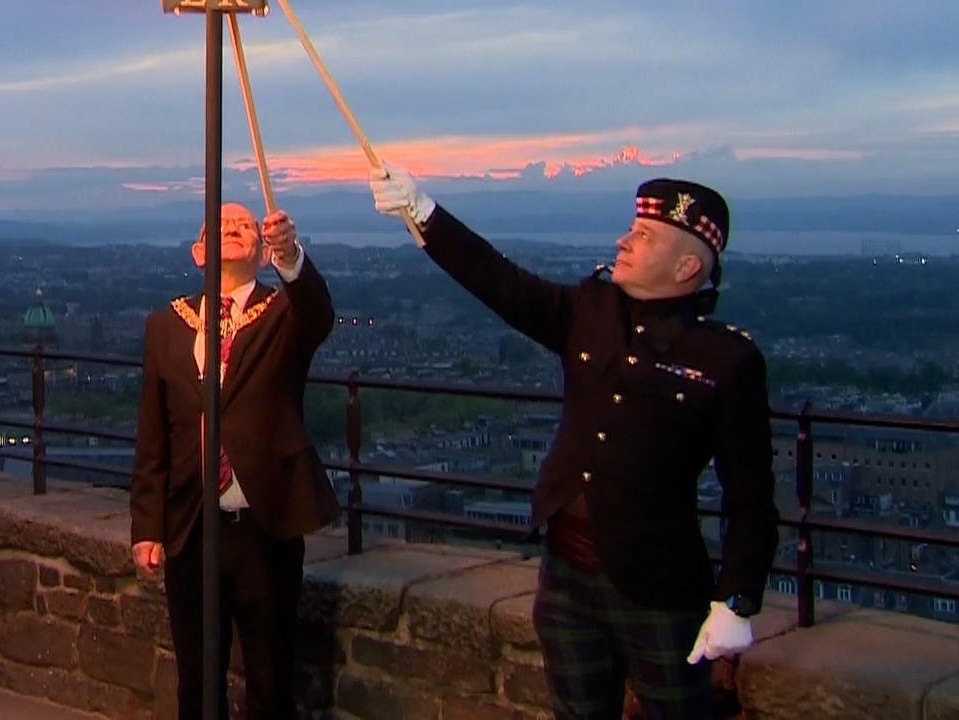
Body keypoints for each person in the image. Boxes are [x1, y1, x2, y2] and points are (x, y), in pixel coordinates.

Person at [370, 167, 778, 720]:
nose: (623, 241)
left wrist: (736, 599)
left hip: (660, 591)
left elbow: (750, 496)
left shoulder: (726, 361)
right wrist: (422, 213)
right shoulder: (593, 311)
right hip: (565, 577)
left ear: (686, 266)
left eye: (644, 236)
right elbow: (500, 282)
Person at [129, 204, 339, 720]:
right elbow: (154, 434)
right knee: (198, 685)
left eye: (244, 226)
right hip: (190, 527)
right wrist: (147, 526)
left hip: (263, 528)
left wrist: (293, 257)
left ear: (263, 252)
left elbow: (318, 314)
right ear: (200, 253)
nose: (231, 230)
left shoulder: (283, 316)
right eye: (218, 226)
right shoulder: (166, 326)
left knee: (270, 681)